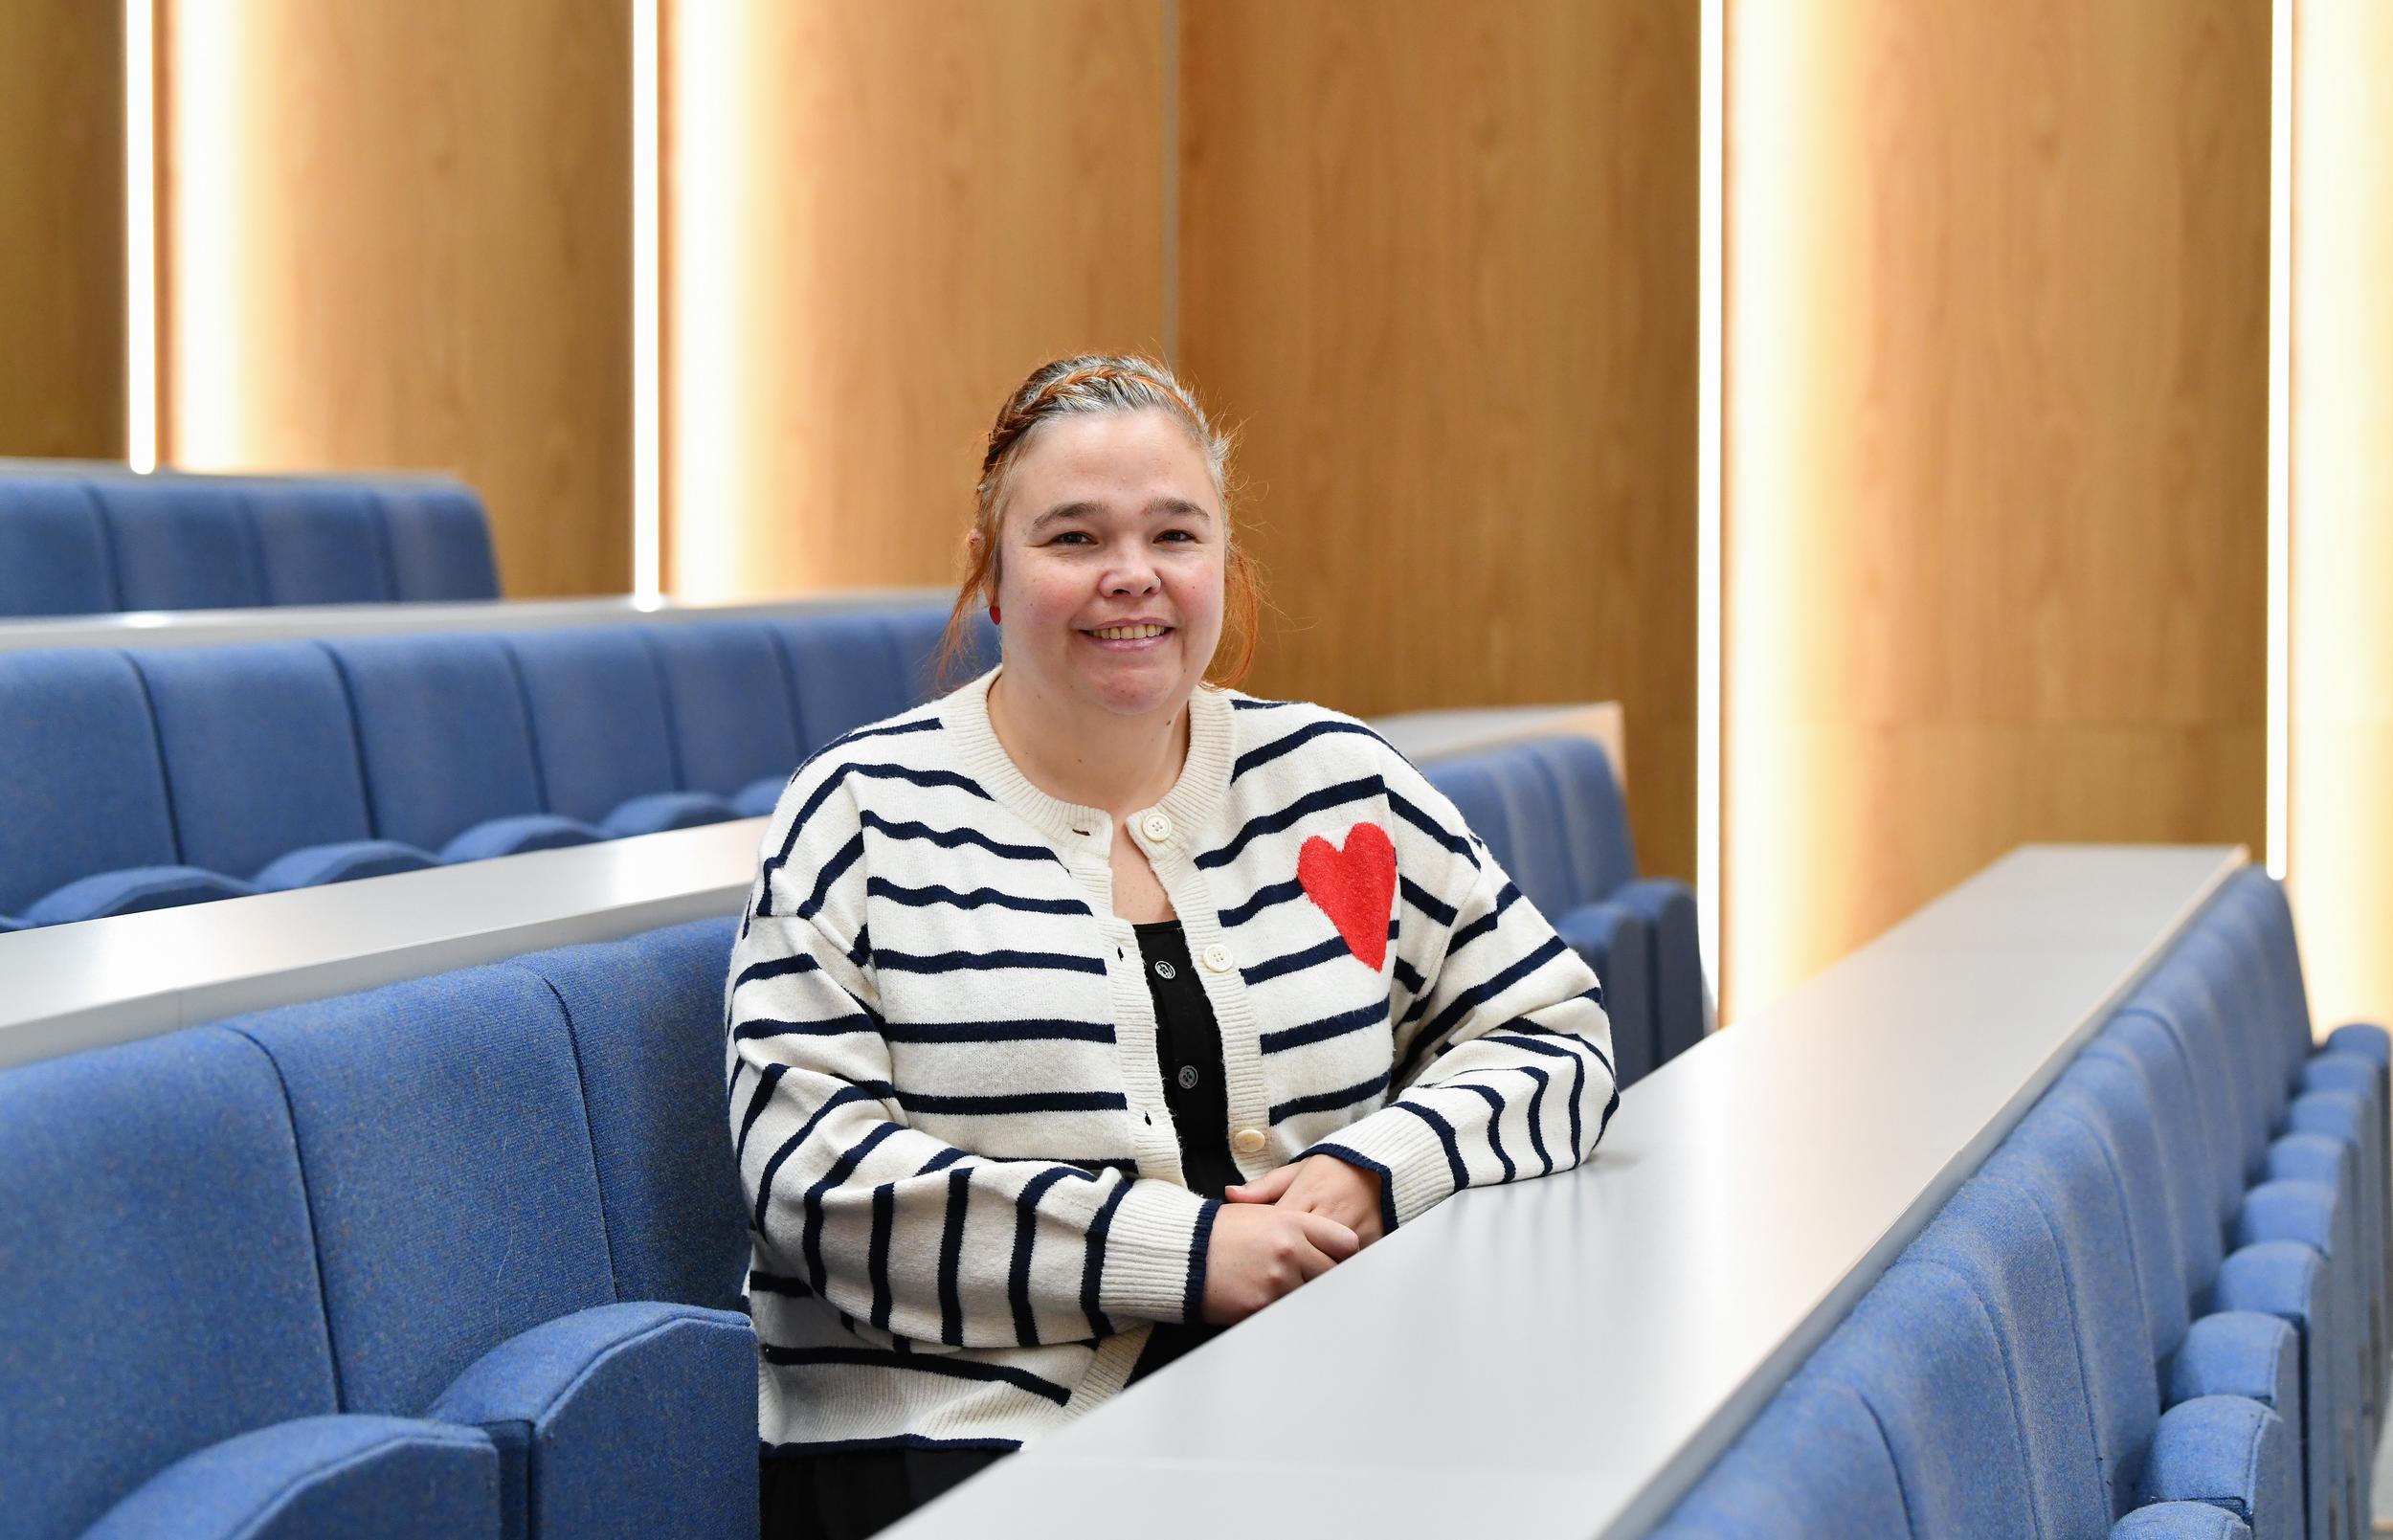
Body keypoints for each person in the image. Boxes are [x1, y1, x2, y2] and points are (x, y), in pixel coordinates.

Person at [729, 354, 1619, 1539]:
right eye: (1073, 538)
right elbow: (814, 1182)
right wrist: (1186, 1253)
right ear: (989, 573)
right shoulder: (857, 813)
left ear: (1224, 568)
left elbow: (1554, 1033)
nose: (1131, 575)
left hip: (1307, 1403)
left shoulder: (1337, 781)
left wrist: (1376, 1168)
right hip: (960, 1444)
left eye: (1174, 534)